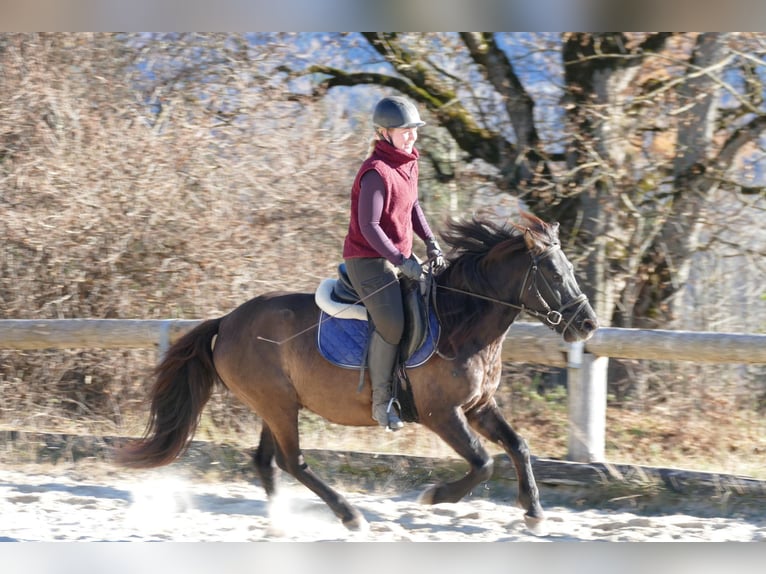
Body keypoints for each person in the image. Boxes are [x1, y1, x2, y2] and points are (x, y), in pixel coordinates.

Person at [342, 95, 446, 431]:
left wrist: (430, 241)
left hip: (398, 256)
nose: (412, 135)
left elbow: (413, 207)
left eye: (414, 129)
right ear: (384, 132)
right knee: (393, 324)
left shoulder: (409, 163)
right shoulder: (376, 172)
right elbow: (370, 227)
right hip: (368, 261)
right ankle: (380, 402)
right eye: (405, 131)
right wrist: (402, 260)